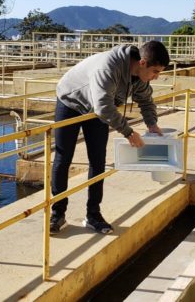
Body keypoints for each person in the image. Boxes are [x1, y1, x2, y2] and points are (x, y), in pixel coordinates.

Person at [50, 40, 170, 234]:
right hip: (71, 101)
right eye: (155, 72)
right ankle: (57, 213)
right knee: (63, 158)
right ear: (142, 63)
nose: (156, 77)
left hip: (97, 109)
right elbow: (104, 108)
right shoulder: (108, 68)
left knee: (98, 160)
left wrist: (152, 124)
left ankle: (93, 215)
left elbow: (146, 101)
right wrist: (129, 132)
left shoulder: (140, 76)